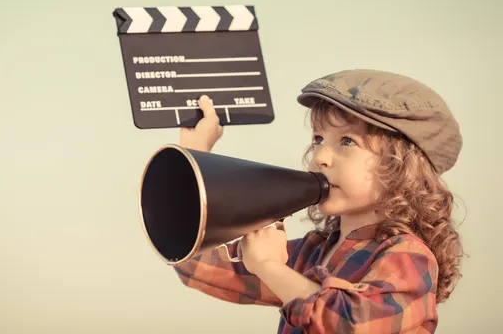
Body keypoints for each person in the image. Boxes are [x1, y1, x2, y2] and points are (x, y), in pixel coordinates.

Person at [173, 69, 465, 333]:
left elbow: (352, 324)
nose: (320, 157)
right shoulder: (311, 252)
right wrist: (197, 157)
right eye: (318, 139)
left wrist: (269, 266)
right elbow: (200, 266)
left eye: (347, 141)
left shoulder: (408, 257)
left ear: (402, 167)